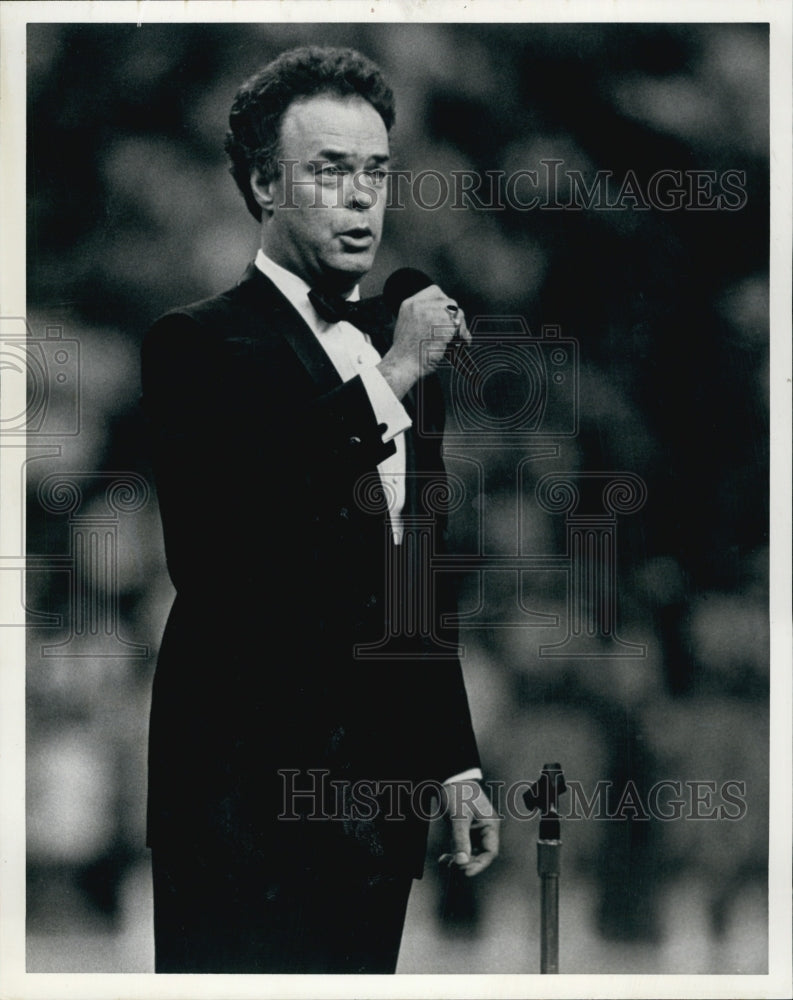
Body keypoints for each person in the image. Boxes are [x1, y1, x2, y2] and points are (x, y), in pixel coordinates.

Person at [141, 45, 499, 974]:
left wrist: (451, 763)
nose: (360, 199)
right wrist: (388, 380)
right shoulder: (199, 344)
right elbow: (222, 552)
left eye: (375, 173)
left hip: (374, 823)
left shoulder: (391, 354)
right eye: (328, 171)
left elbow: (412, 587)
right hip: (239, 816)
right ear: (264, 183)